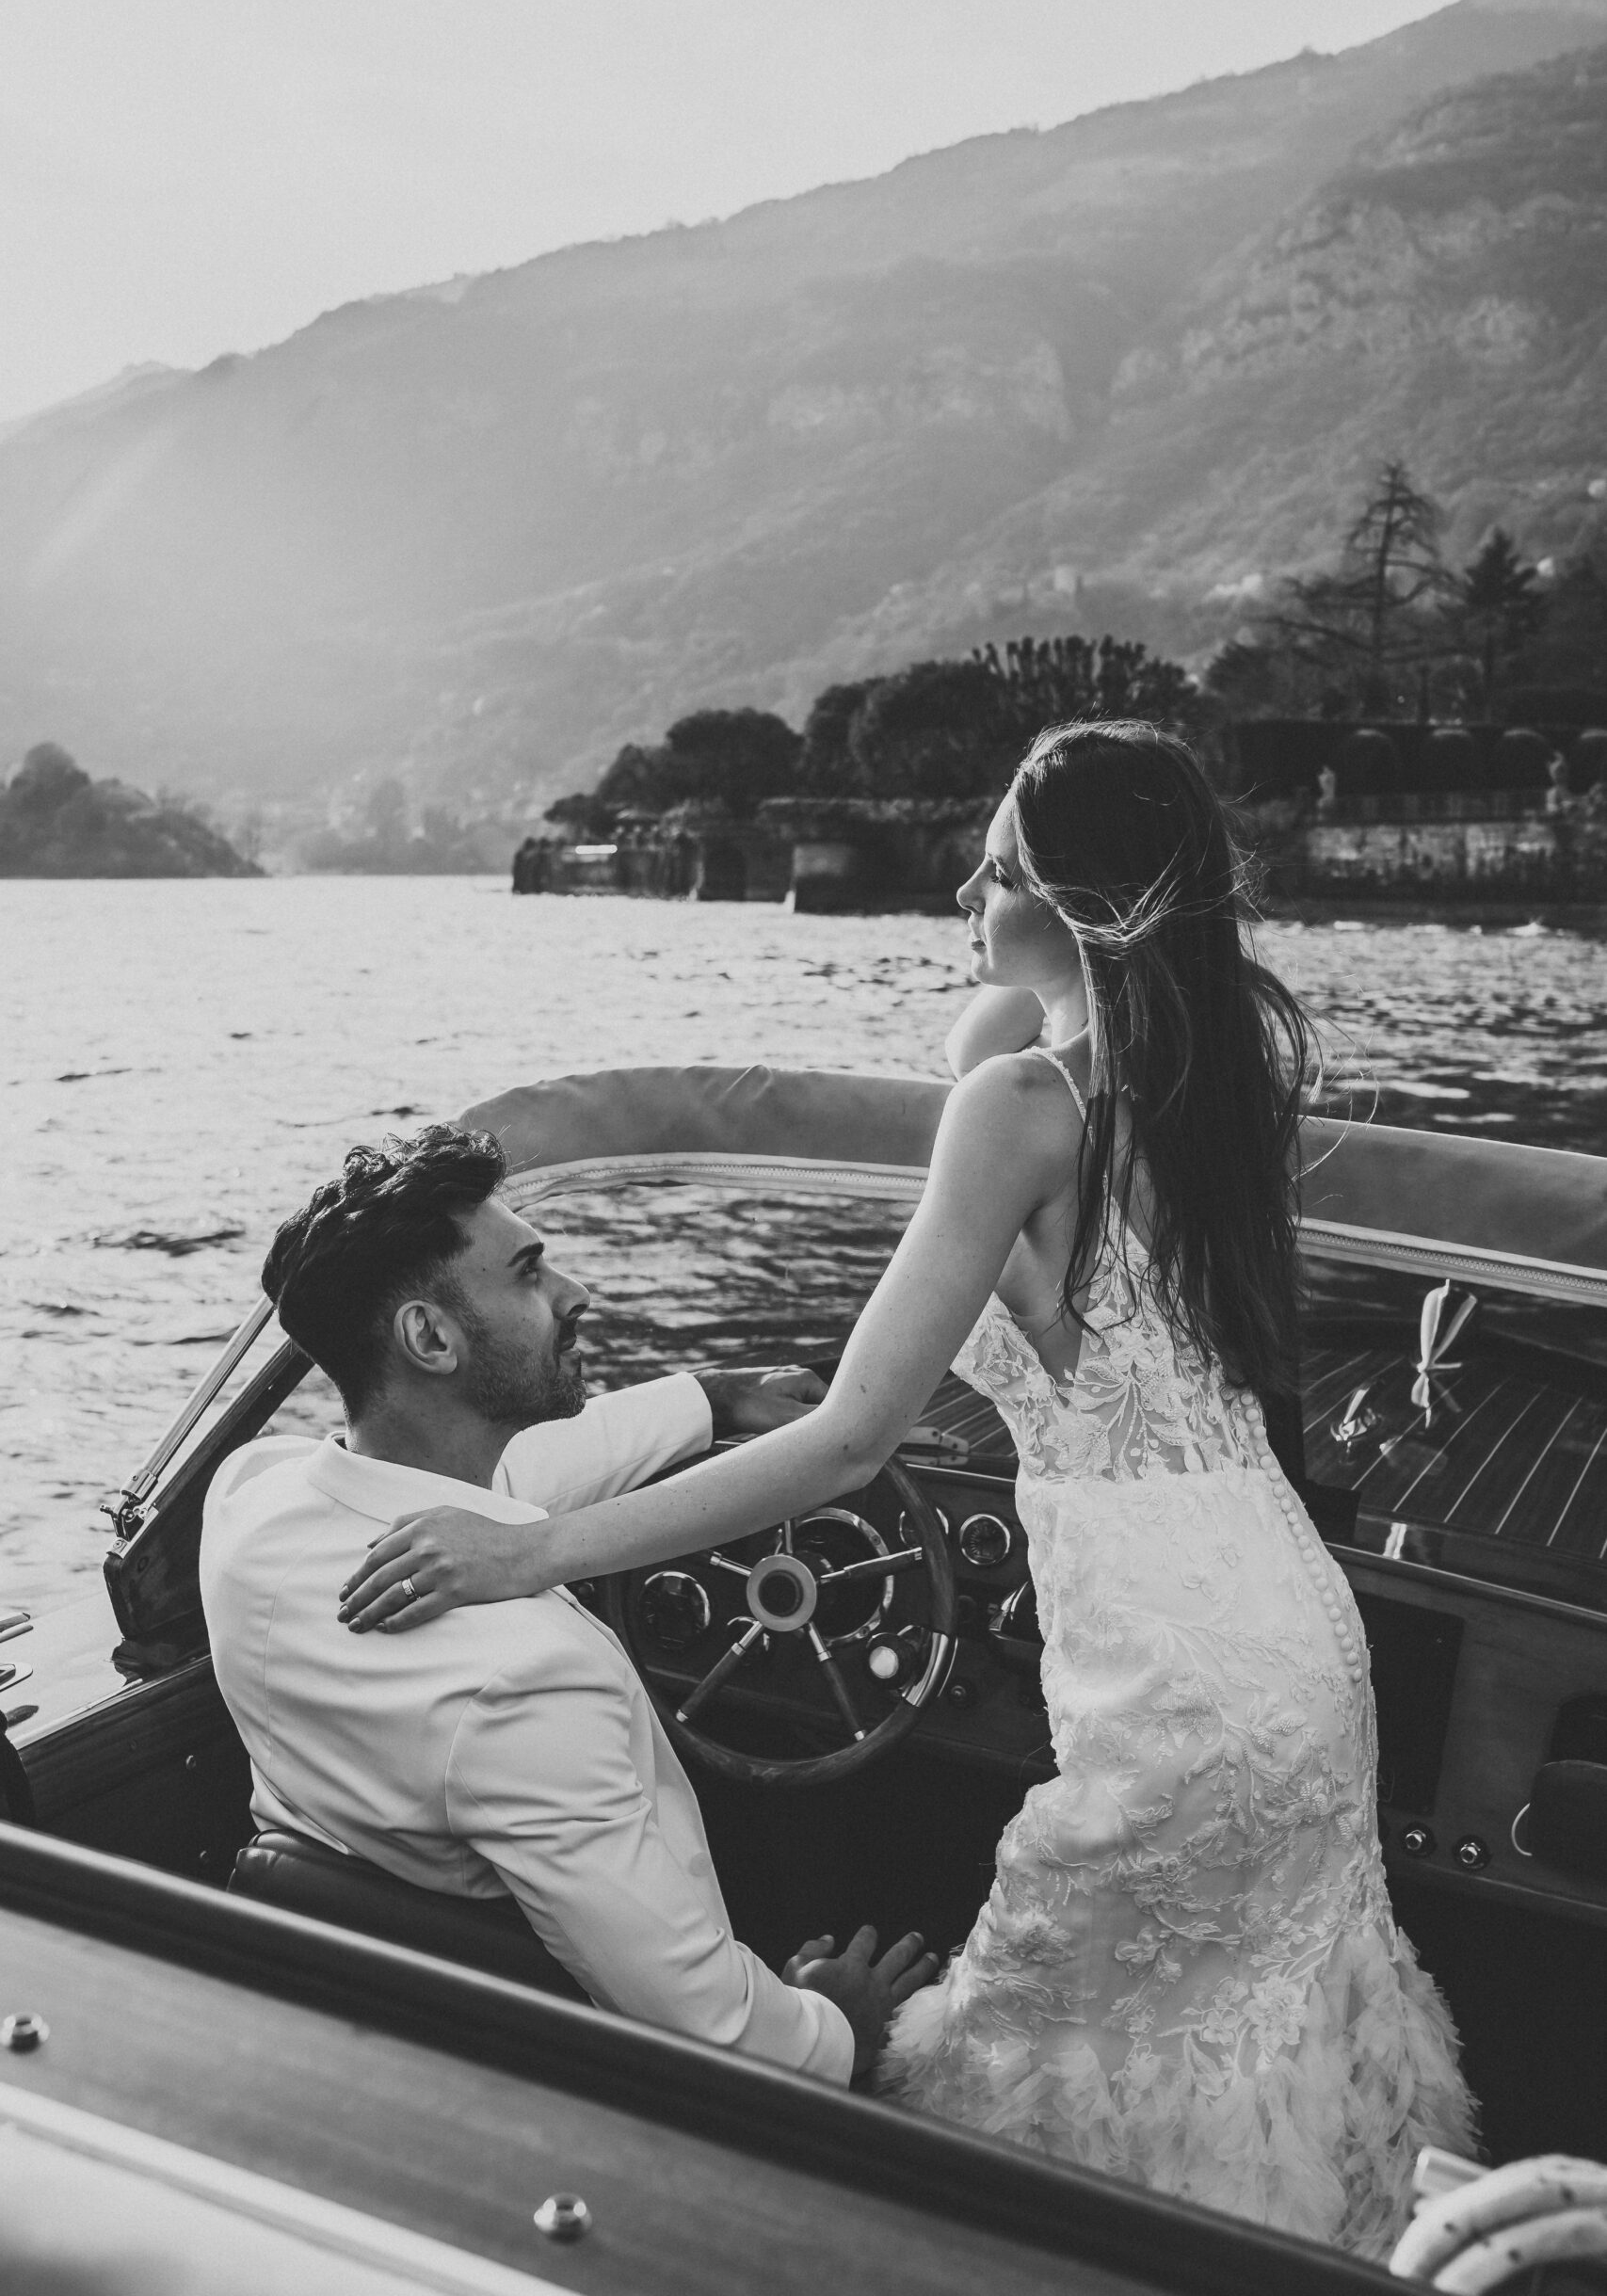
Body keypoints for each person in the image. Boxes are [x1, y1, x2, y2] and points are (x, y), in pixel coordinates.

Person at [340, 720, 1475, 2256]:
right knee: (1240, 2045)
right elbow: (1011, 1043)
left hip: (1174, 1678)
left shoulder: (1019, 1109)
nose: (960, 893)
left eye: (991, 867)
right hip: (1287, 1637)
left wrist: (530, 1552)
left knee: (1051, 2077)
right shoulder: (1218, 1076)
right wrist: (1032, 960)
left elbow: (848, 1441)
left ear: (1071, 901)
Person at [201, 1126, 935, 2085]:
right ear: (430, 1336)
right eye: (531, 1272)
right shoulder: (527, 1677)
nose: (574, 1293)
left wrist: (708, 1399)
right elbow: (710, 2031)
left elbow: (519, 1479)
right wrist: (837, 2017)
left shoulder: (250, 1502)